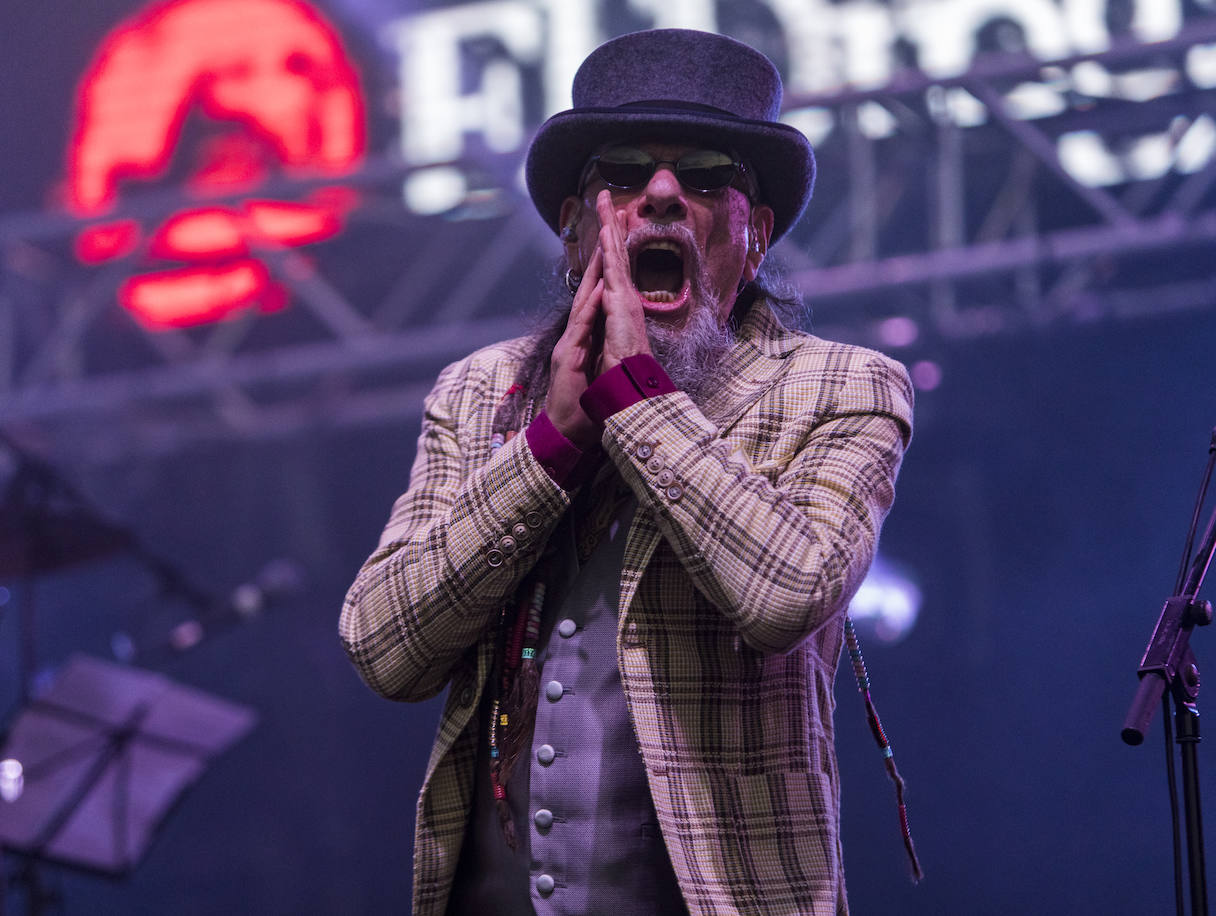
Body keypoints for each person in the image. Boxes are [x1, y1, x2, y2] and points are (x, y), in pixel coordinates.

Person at [340, 28, 916, 916]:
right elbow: (383, 648)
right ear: (576, 230)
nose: (659, 194)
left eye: (705, 172)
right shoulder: (479, 392)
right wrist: (549, 446)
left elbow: (789, 592)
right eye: (621, 171)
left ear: (753, 235)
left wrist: (637, 399)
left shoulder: (839, 387)